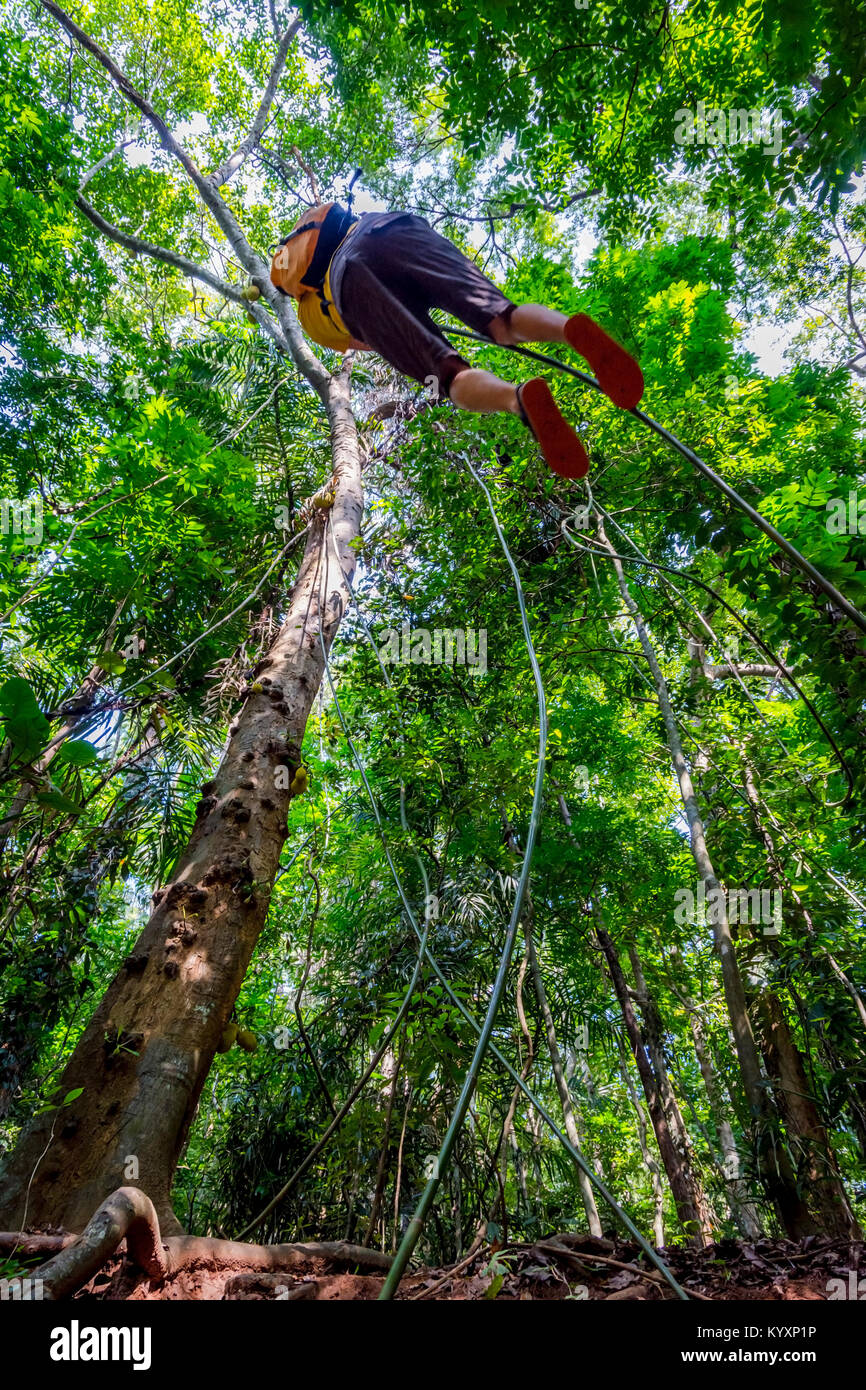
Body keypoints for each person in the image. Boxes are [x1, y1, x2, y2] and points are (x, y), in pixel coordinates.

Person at [269, 203, 644, 480]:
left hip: (350, 282)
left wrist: (412, 328)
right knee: (502, 319)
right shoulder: (334, 221)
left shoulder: (308, 315)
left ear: (294, 286)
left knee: (449, 376)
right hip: (391, 228)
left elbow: (366, 341)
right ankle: (569, 331)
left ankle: (517, 400)